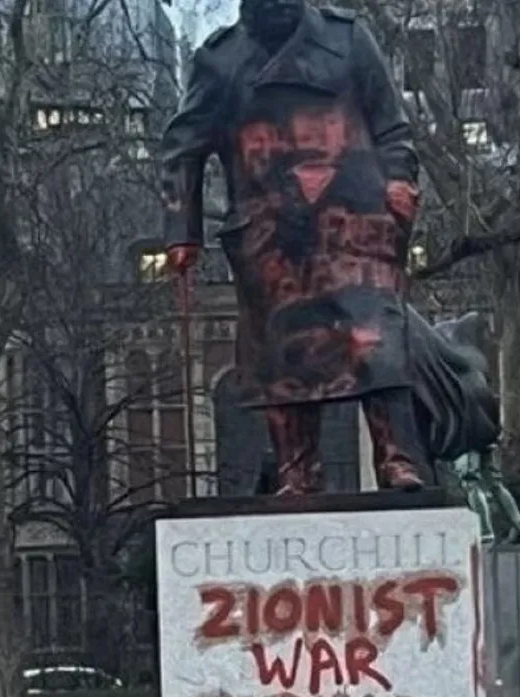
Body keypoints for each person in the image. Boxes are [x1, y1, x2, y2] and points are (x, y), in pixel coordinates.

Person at [158, 0, 428, 495]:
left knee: (374, 336)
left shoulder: (348, 38)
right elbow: (183, 147)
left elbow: (391, 125)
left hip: (355, 221)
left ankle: (396, 457)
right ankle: (296, 470)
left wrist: (398, 181)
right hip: (271, 231)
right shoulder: (220, 60)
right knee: (283, 349)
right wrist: (182, 230)